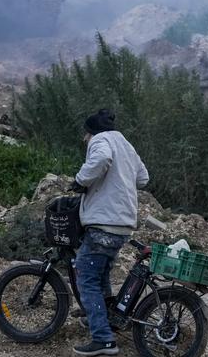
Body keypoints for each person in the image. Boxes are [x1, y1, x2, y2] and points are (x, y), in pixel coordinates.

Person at [70, 109, 149, 356]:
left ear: (91, 131)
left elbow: (102, 159)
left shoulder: (101, 140)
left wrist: (81, 180)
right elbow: (143, 178)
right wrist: (120, 179)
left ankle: (103, 339)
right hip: (122, 223)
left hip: (104, 222)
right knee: (100, 274)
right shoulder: (125, 143)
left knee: (86, 279)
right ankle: (103, 320)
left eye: (86, 134)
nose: (85, 139)